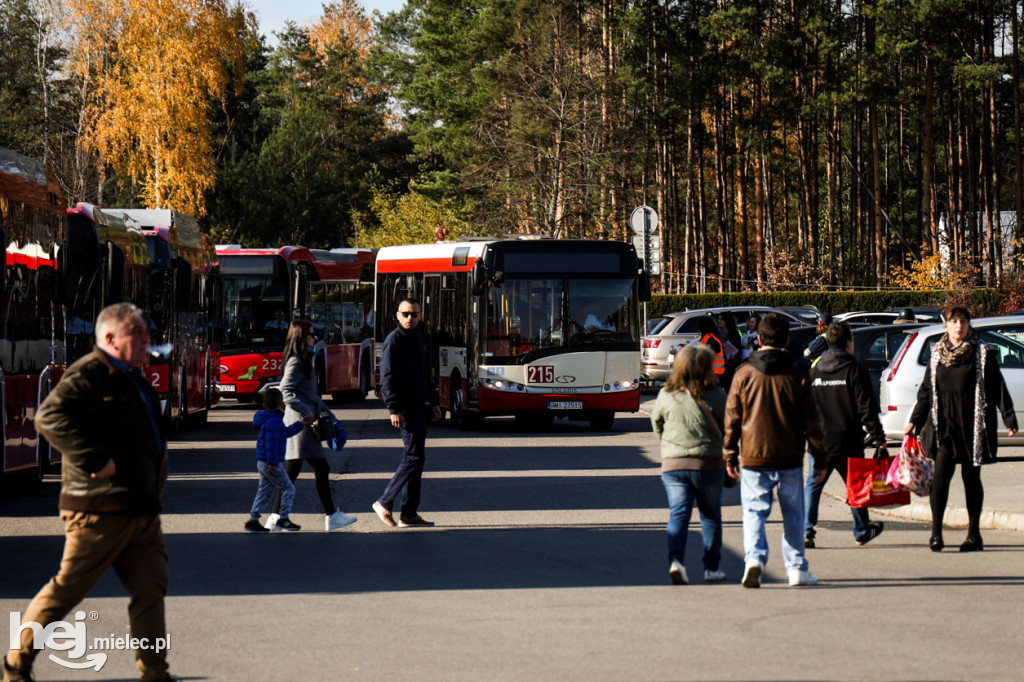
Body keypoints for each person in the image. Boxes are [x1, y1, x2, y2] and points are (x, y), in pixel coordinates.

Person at [4, 303, 176, 682]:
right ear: (111, 339)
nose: (147, 341)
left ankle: (155, 673)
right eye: (138, 334)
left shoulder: (135, 377)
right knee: (67, 591)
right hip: (99, 509)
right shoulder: (90, 373)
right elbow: (48, 417)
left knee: (151, 587)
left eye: (147, 334)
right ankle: (15, 666)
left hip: (140, 510)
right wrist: (95, 458)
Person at [723, 313, 826, 588]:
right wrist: (820, 456)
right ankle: (795, 569)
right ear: (787, 339)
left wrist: (729, 455)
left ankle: (754, 560)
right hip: (791, 454)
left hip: (754, 455)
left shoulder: (743, 374)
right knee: (793, 513)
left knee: (754, 511)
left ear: (758, 338)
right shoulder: (798, 374)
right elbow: (812, 422)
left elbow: (732, 418)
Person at [904, 306, 1018, 552]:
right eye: (954, 321)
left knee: (971, 479)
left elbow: (998, 386)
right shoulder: (936, 354)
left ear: (969, 325)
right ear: (946, 326)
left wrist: (1009, 417)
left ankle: (974, 535)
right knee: (941, 479)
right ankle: (936, 534)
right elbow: (926, 390)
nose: (959, 326)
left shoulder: (982, 353)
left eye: (963, 322)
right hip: (944, 426)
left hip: (973, 427)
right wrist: (914, 419)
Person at [265, 319, 358, 532]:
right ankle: (330, 516)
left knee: (292, 472)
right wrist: (306, 410)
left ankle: (276, 517)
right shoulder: (297, 361)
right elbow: (285, 391)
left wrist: (331, 416)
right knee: (320, 468)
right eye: (311, 334)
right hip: (301, 425)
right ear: (300, 337)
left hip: (302, 423)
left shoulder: (305, 360)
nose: (314, 337)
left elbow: (312, 396)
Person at [804, 321, 888, 548]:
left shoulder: (815, 371)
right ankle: (861, 530)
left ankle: (806, 530)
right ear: (849, 343)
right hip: (848, 440)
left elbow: (806, 408)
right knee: (856, 485)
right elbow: (867, 409)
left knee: (814, 484)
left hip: (820, 441)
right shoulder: (854, 370)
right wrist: (879, 439)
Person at [650, 344, 728, 585]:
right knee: (710, 516)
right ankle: (711, 567)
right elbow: (729, 427)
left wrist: (668, 447)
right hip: (709, 464)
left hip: (674, 464)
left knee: (679, 513)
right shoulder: (716, 394)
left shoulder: (666, 394)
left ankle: (676, 561)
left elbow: (656, 423)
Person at [372, 298, 442, 528]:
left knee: (417, 459)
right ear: (397, 315)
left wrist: (433, 401)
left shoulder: (417, 338)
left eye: (414, 314)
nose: (410, 318)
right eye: (405, 314)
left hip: (419, 406)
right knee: (413, 457)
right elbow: (387, 379)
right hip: (405, 409)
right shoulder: (394, 341)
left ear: (420, 316)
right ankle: (384, 502)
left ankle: (409, 513)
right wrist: (393, 409)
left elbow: (424, 374)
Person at [245, 388, 304, 533]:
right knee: (288, 488)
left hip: (263, 462)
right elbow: (271, 445)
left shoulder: (270, 420)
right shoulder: (275, 422)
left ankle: (253, 519)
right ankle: (283, 519)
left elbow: (284, 433)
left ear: (264, 405)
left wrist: (301, 424)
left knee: (264, 491)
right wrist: (273, 464)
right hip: (271, 463)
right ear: (282, 404)